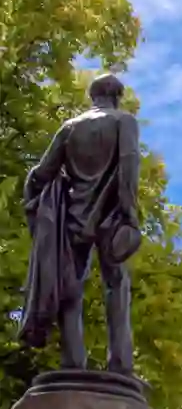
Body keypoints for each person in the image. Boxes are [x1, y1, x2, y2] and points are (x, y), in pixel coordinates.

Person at [19, 72, 141, 373]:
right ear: (117, 96)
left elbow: (42, 172)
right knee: (116, 284)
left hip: (73, 214)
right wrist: (130, 215)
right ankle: (121, 364)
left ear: (93, 96)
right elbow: (129, 167)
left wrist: (33, 202)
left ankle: (73, 360)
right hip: (111, 215)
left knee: (71, 286)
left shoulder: (69, 128)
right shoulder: (124, 122)